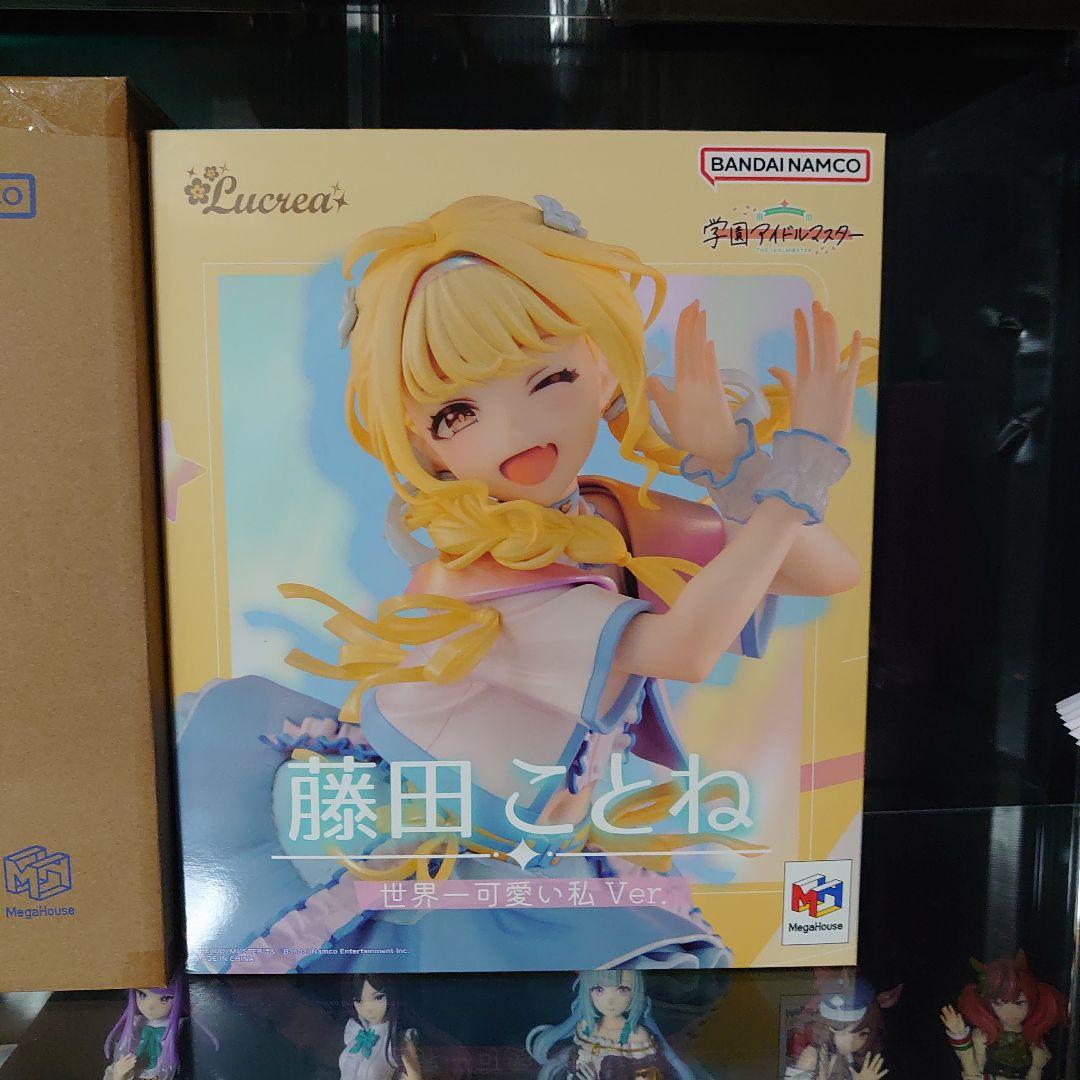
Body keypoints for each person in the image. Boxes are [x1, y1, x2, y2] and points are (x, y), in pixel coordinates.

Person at [179, 193, 872, 973]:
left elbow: (824, 571)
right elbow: (683, 649)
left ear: (603, 369)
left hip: (541, 848)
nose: (513, 429)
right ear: (423, 445)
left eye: (550, 378)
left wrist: (727, 464)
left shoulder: (604, 513)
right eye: (457, 413)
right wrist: (797, 473)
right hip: (437, 853)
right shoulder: (479, 572)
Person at [527, 970, 696, 1079]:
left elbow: (651, 1076)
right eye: (599, 990)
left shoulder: (636, 1036)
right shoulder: (586, 1028)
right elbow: (573, 1063)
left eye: (622, 990)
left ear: (635, 992)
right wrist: (577, 1066)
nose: (610, 1001)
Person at [940, 953, 1067, 1080]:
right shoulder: (983, 1036)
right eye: (999, 1004)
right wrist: (959, 1034)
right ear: (989, 1004)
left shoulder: (1034, 1042)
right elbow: (972, 1073)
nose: (1010, 1012)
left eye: (1019, 1003)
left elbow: (1034, 1074)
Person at [339, 975, 423, 1080]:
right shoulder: (355, 1030)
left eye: (378, 998)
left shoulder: (399, 1038)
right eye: (359, 1000)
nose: (368, 1008)